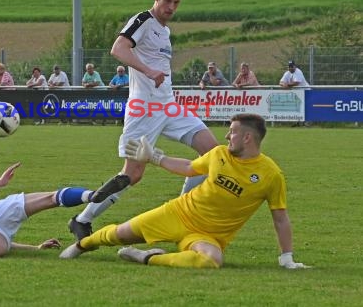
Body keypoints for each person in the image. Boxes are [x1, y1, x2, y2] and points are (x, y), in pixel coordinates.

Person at [68, 0, 219, 241]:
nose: (171, 7)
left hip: (168, 107)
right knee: (132, 174)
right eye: (167, 0)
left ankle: (181, 214)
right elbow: (118, 49)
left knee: (213, 153)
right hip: (144, 110)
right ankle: (82, 219)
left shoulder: (165, 30)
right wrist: (148, 71)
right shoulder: (144, 20)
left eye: (176, 2)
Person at [61, 114, 311, 271]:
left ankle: (146, 258)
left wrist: (286, 257)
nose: (226, 136)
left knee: (211, 261)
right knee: (118, 234)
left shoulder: (270, 174)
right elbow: (190, 168)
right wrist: (156, 157)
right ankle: (81, 246)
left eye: (232, 132)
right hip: (178, 213)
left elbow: (280, 218)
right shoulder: (219, 154)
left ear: (247, 138)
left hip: (208, 236)